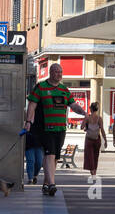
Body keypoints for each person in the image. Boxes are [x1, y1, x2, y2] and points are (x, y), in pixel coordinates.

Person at [23, 63, 79, 196]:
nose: (59, 74)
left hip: (61, 128)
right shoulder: (41, 87)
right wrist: (29, 121)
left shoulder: (64, 90)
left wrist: (85, 114)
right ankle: (52, 184)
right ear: (50, 72)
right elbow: (32, 105)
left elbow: (74, 105)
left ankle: (46, 184)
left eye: (61, 72)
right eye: (56, 72)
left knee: (54, 158)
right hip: (45, 127)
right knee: (50, 154)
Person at [80, 101, 107, 178]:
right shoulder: (99, 118)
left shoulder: (87, 117)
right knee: (96, 155)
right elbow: (102, 130)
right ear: (97, 109)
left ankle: (92, 171)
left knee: (89, 155)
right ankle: (94, 170)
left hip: (89, 139)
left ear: (90, 109)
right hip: (97, 139)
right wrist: (105, 140)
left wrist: (86, 127)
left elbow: (81, 127)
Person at [24, 116, 45, 185]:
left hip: (39, 145)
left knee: (39, 162)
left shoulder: (41, 118)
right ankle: (30, 179)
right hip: (29, 145)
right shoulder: (26, 118)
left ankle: (35, 176)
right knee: (31, 161)